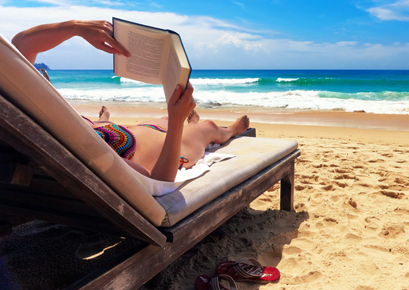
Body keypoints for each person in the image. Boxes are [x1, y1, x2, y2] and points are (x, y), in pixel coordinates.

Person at [12, 20, 249, 182]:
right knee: (207, 127)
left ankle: (108, 121)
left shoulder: (42, 119)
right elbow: (158, 181)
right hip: (172, 150)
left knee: (164, 118)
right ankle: (229, 131)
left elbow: (21, 45)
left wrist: (78, 28)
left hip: (127, 131)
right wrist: (177, 121)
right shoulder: (87, 156)